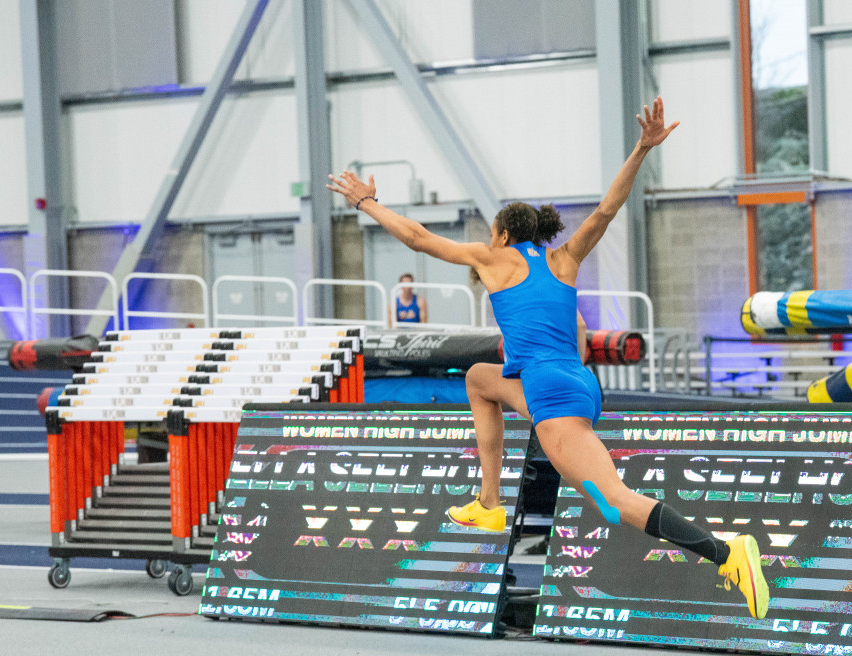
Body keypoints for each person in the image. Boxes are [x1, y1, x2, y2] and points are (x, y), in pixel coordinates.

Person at [327, 97, 768, 619]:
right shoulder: (563, 259)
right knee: (479, 377)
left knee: (614, 502)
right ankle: (490, 504)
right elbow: (607, 209)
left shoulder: (494, 258)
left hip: (553, 395)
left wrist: (365, 204)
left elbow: (419, 239)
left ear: (504, 234)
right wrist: (641, 151)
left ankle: (725, 553)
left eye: (492, 233)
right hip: (573, 382)